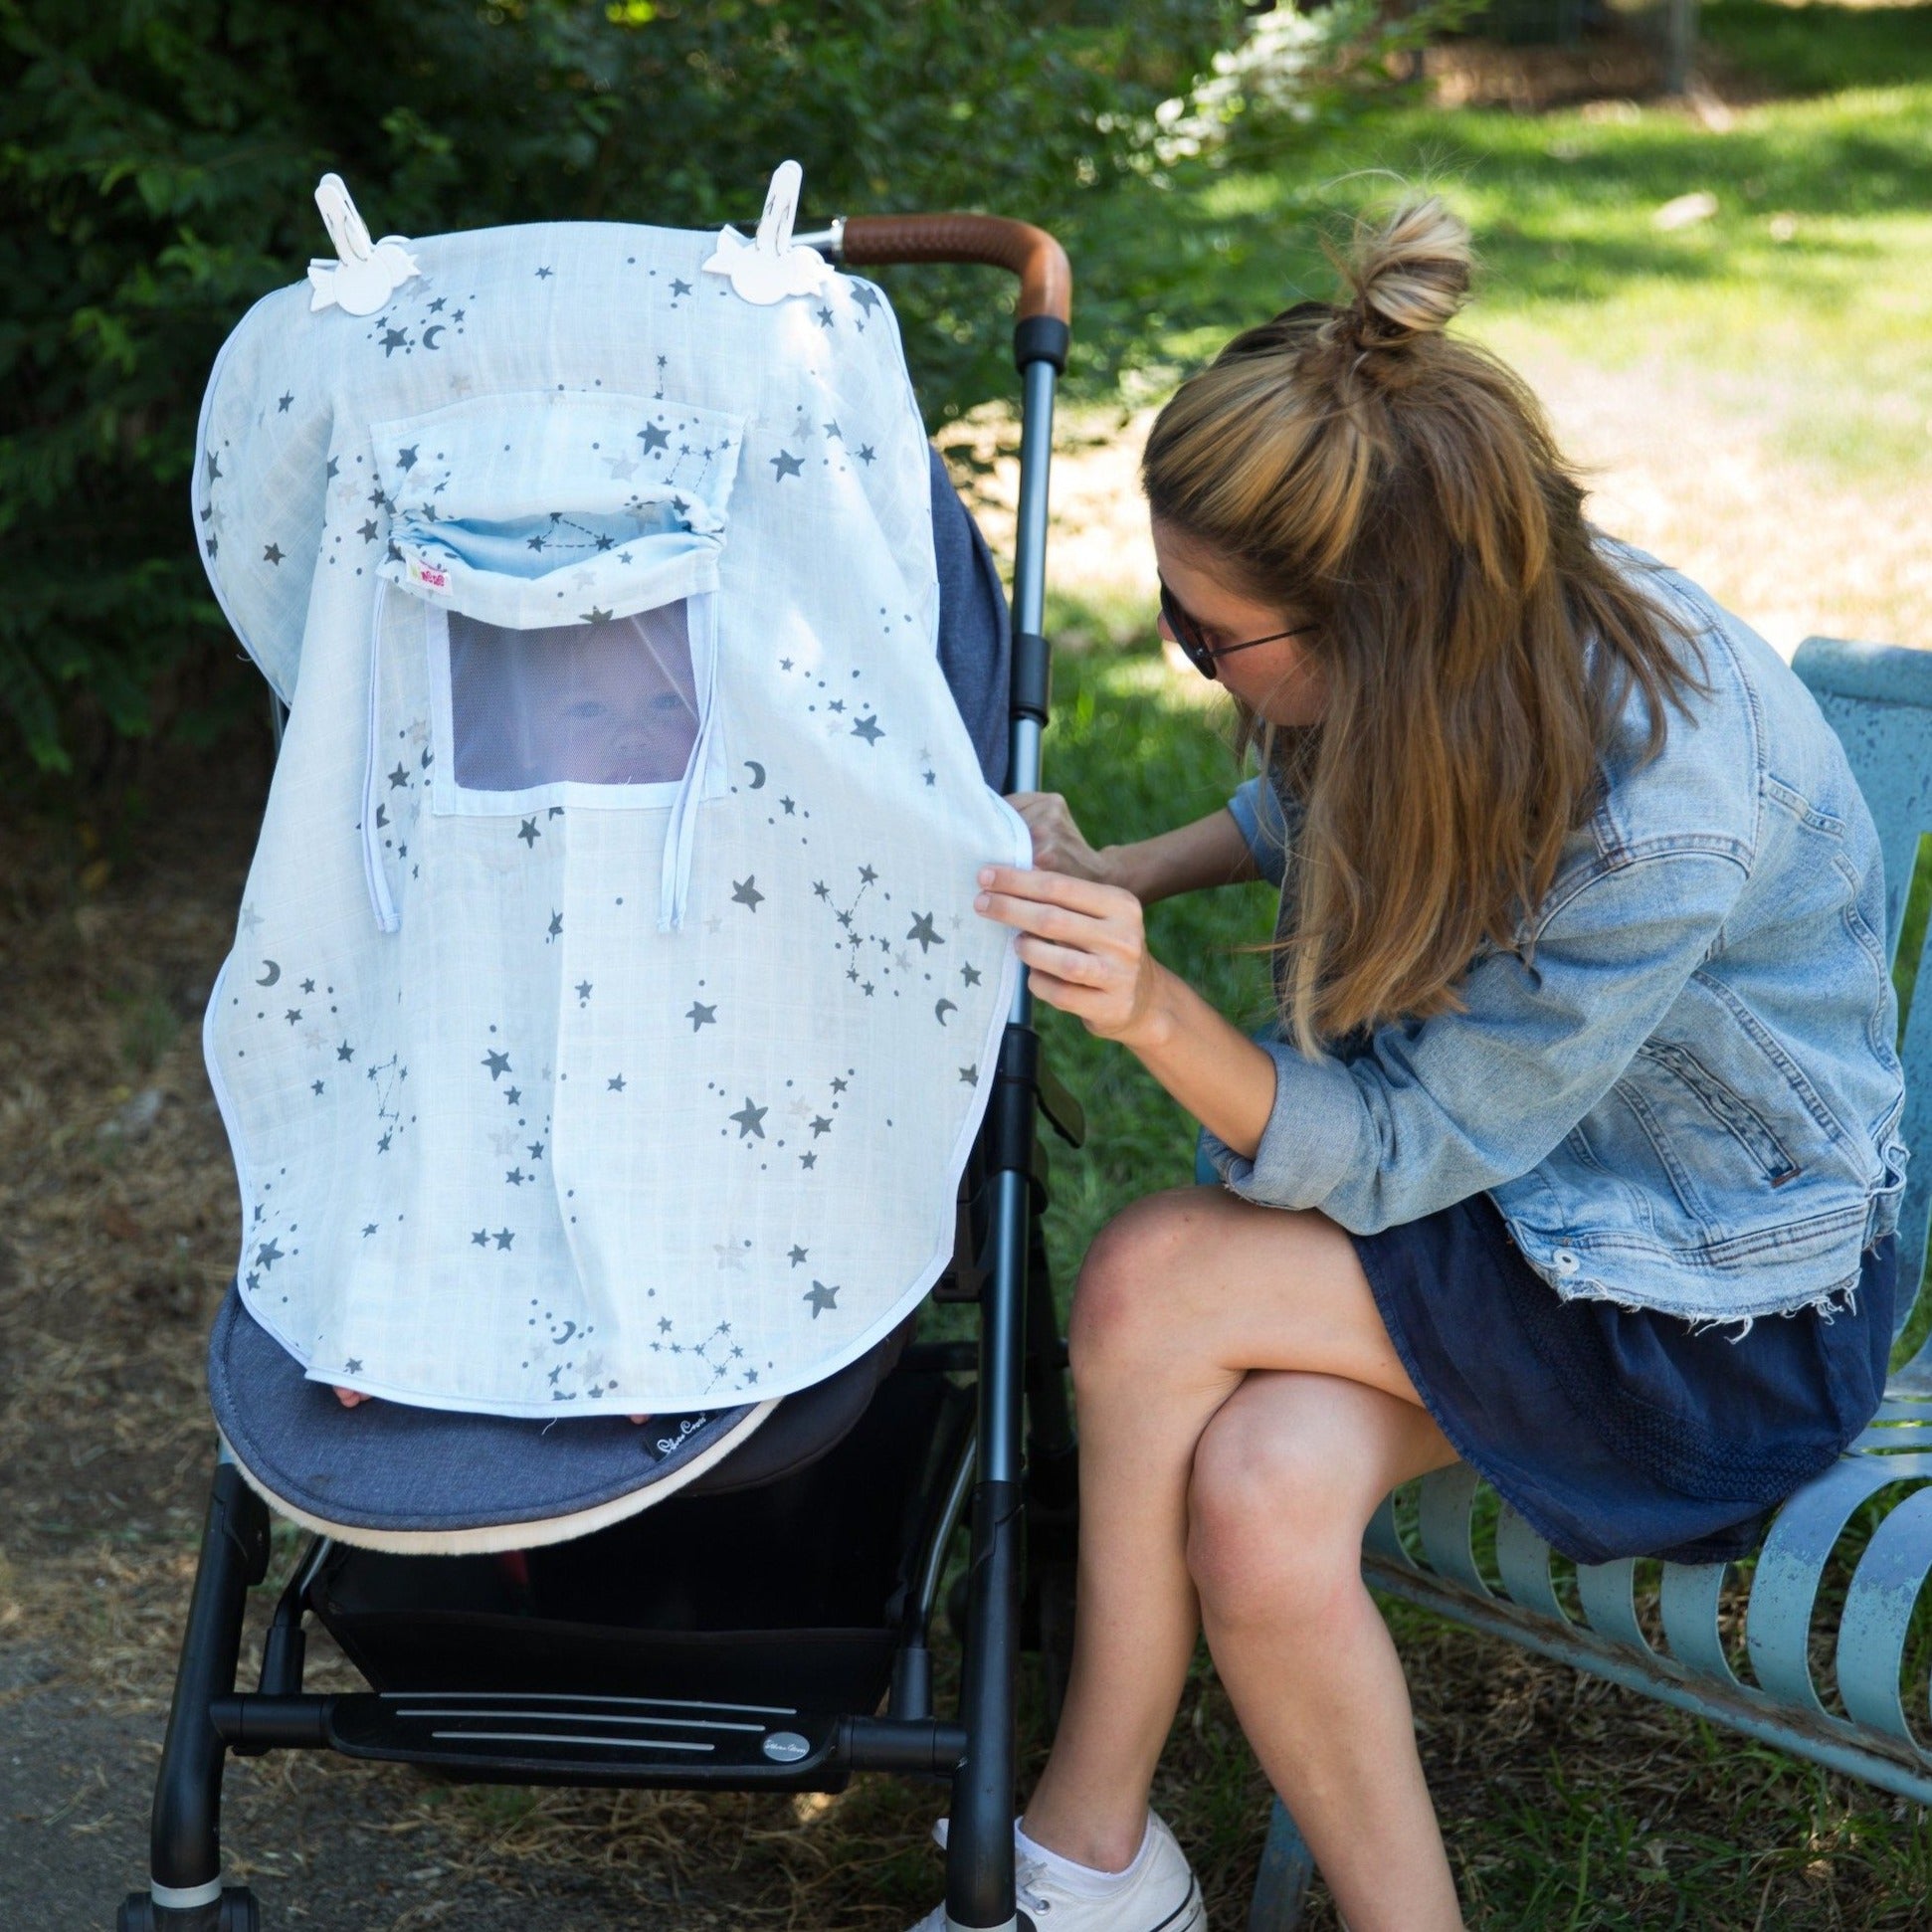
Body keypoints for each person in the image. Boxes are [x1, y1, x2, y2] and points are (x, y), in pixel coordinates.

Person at [913, 195, 1906, 1931]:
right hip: (1543, 1215)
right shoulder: (1476, 631)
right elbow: (1305, 778)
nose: (1184, 652)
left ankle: (1081, 1853)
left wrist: (1155, 1011)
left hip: (1701, 1319)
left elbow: (1401, 1148)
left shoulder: (1651, 816)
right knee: (1259, 1488)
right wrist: (1125, 873)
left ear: (1376, 628)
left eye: (1206, 635)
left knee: (1151, 1277)